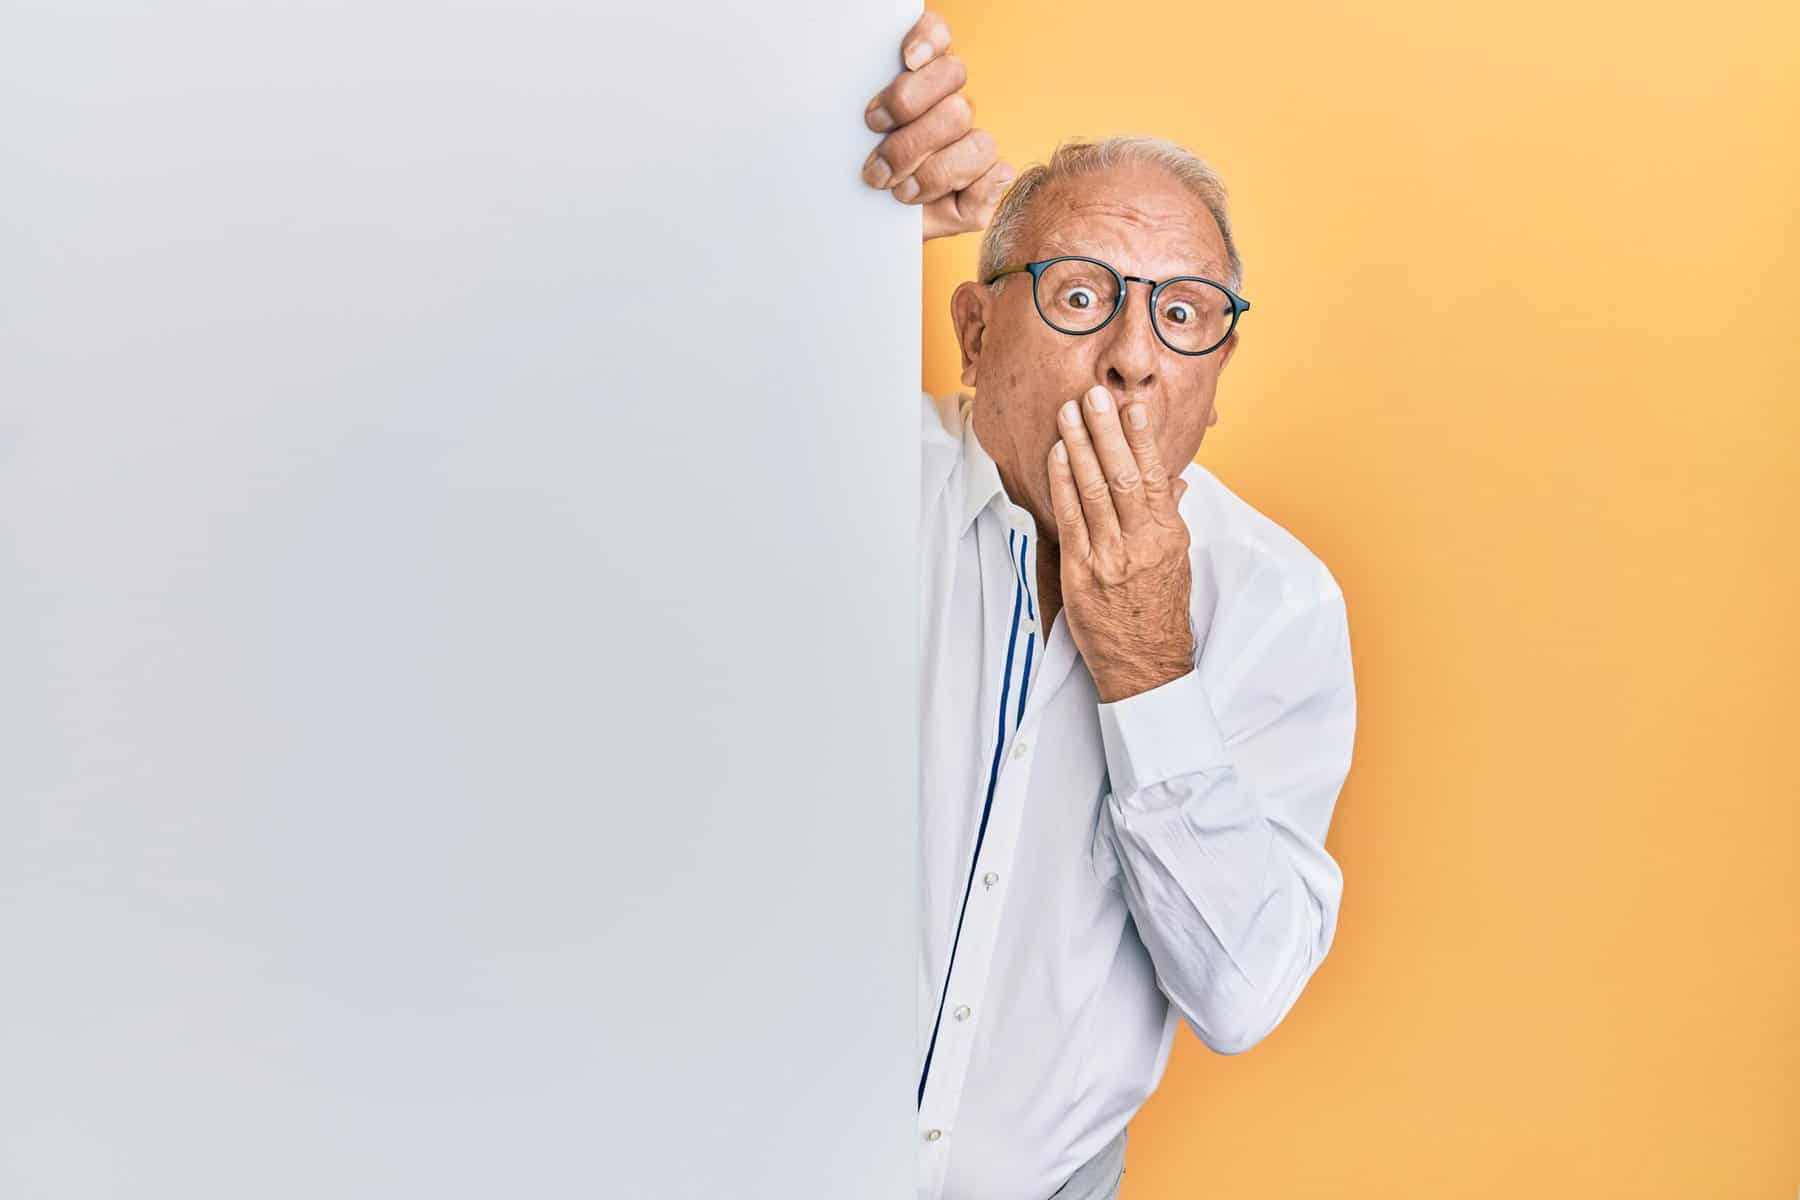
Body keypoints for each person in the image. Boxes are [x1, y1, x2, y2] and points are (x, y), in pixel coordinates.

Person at [863, 14, 1357, 1200]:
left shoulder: (1278, 604)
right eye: (1081, 295)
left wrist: (1149, 667)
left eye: (1185, 316)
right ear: (975, 332)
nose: (1134, 357)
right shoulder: (848, 486)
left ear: (1215, 381)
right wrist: (808, 196)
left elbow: (1242, 994)